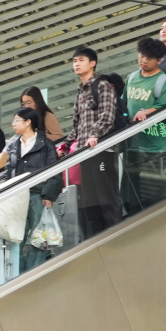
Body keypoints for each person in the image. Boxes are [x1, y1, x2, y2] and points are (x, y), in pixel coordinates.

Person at [63, 47, 122, 240]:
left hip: (101, 150)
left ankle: (115, 236)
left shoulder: (103, 85)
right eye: (74, 61)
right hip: (84, 153)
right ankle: (96, 240)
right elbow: (78, 126)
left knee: (106, 197)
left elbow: (107, 116)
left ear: (92, 63)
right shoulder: (80, 90)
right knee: (90, 201)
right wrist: (65, 145)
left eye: (81, 60)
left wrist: (94, 134)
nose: (76, 64)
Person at [2, 108, 64, 271]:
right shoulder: (13, 146)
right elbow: (8, 172)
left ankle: (33, 273)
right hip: (17, 197)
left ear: (28, 122)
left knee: (38, 238)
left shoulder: (46, 144)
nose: (13, 124)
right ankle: (16, 275)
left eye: (17, 120)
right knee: (16, 237)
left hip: (38, 195)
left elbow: (54, 171)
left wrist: (49, 195)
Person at [121, 39, 166, 215]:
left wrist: (147, 111)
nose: (144, 60)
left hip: (156, 148)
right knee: (130, 196)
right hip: (133, 146)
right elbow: (123, 104)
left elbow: (165, 107)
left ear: (158, 60)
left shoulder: (163, 82)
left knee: (153, 197)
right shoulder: (131, 78)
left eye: (149, 58)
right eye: (142, 55)